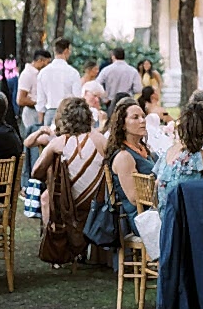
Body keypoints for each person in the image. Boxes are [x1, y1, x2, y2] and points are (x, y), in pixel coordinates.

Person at [32, 96, 107, 224]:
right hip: (99, 204)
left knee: (47, 195)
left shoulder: (59, 143)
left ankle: (50, 234)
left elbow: (36, 173)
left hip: (67, 207)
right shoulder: (101, 140)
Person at [104, 97, 156, 234]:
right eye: (135, 118)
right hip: (143, 219)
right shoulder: (124, 157)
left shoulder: (143, 149)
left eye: (143, 117)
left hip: (156, 211)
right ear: (122, 124)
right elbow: (134, 198)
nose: (142, 121)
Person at [35, 37, 82, 125]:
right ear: (66, 51)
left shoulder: (43, 72)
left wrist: (40, 122)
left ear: (54, 51)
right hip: (67, 114)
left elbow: (40, 101)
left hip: (49, 113)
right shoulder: (73, 72)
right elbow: (77, 99)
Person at [17, 49, 52, 138]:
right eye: (47, 63)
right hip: (32, 114)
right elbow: (20, 100)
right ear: (40, 61)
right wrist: (39, 103)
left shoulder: (42, 74)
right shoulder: (27, 74)